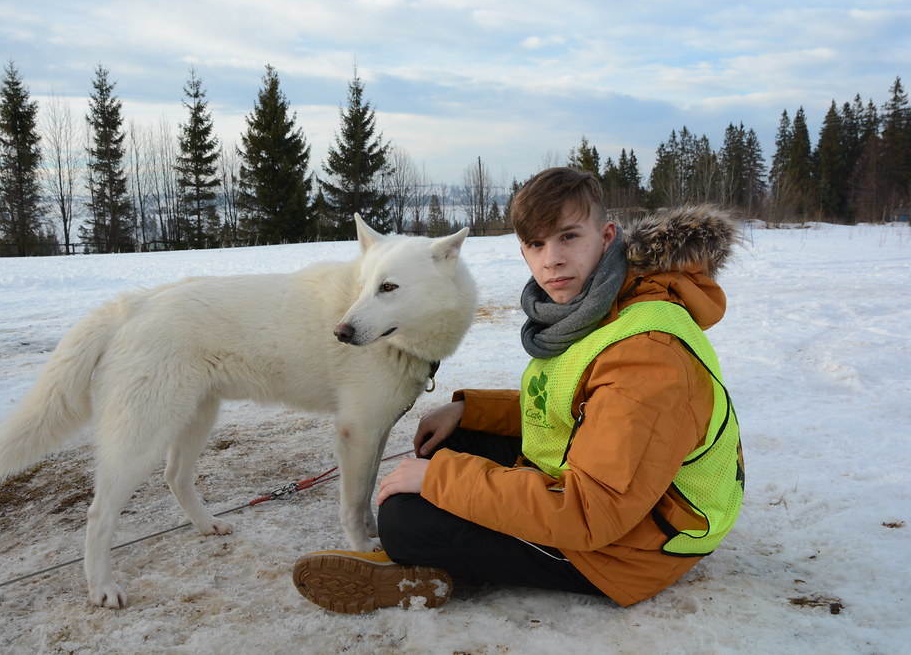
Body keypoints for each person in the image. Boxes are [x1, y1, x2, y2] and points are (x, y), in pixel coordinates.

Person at [293, 167, 744, 614]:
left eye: (568, 236)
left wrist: (439, 480)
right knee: (449, 443)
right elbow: (581, 405)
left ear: (607, 237)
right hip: (620, 502)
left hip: (631, 548)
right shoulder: (606, 303)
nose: (551, 260)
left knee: (407, 518)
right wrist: (472, 412)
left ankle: (423, 568)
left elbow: (590, 512)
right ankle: (444, 547)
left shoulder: (649, 354)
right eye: (535, 244)